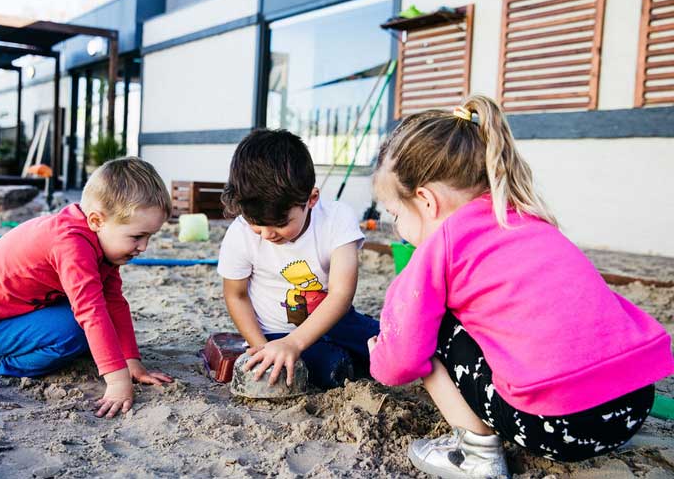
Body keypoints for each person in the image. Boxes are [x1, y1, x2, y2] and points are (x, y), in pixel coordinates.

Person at [368, 96, 674, 478]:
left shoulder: (440, 246)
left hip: (561, 426)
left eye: (396, 215)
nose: (397, 228)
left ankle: (476, 454)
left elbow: (402, 360)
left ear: (426, 201)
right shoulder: (531, 223)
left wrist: (380, 354)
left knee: (429, 329)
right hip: (633, 401)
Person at [0, 157, 173, 419]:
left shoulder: (102, 243)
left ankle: (36, 344)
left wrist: (131, 360)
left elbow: (114, 302)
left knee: (95, 325)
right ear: (97, 221)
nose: (143, 247)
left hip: (24, 308)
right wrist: (118, 382)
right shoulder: (71, 244)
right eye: (136, 236)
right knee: (77, 330)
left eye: (149, 236)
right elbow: (91, 312)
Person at [218, 129, 379, 390]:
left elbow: (340, 295)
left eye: (280, 224)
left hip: (337, 320)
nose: (268, 234)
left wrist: (295, 343)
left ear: (311, 199)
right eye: (256, 224)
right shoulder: (240, 233)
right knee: (333, 369)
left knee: (393, 346)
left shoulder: (337, 219)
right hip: (275, 331)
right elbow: (236, 295)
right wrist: (262, 346)